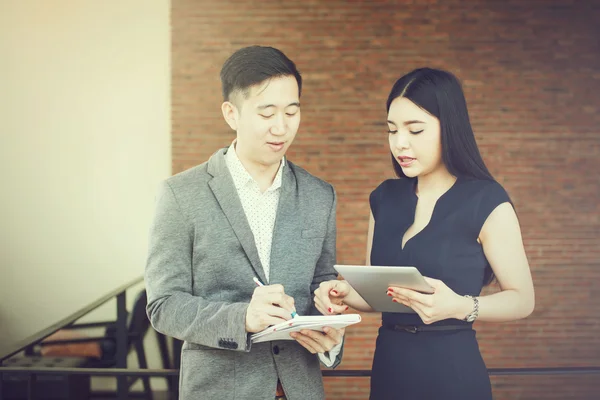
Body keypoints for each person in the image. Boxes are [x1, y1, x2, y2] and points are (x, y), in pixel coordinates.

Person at [314, 67, 535, 400]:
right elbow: (380, 292)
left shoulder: (486, 200)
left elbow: (523, 299)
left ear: (450, 129)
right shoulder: (384, 198)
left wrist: (460, 306)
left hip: (452, 372)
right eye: (392, 130)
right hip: (390, 367)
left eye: (415, 130)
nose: (400, 143)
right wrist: (342, 293)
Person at [145, 45, 344, 400]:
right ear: (231, 114)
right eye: (266, 113)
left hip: (300, 387)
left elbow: (322, 284)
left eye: (291, 112)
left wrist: (329, 327)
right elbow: (163, 305)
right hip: (219, 389)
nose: (281, 127)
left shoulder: (320, 196)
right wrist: (242, 319)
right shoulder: (180, 194)